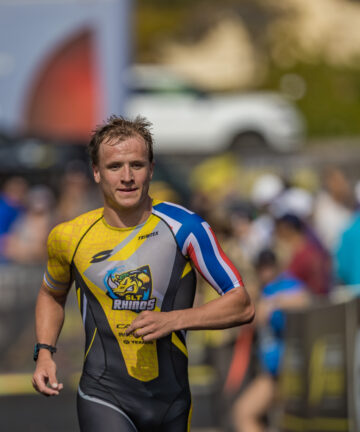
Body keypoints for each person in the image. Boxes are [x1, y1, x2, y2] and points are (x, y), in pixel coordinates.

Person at [32, 115, 255, 431]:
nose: (126, 177)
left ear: (151, 169)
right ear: (96, 172)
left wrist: (174, 319)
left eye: (136, 165)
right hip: (103, 393)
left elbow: (242, 303)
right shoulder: (69, 236)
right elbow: (51, 294)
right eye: (114, 167)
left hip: (170, 401)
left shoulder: (185, 227)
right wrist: (44, 353)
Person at [233, 250, 309, 432]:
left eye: (269, 267)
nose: (265, 272)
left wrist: (273, 303)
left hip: (290, 370)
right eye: (261, 268)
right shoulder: (259, 291)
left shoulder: (286, 284)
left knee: (248, 414)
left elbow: (305, 300)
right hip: (270, 372)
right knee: (243, 414)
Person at [273, 214, 332, 297]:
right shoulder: (310, 249)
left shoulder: (303, 255)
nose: (277, 237)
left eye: (279, 233)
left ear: (288, 231)